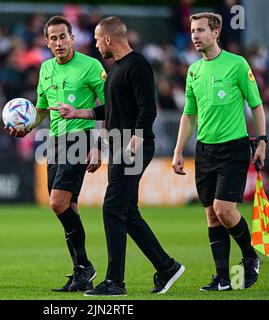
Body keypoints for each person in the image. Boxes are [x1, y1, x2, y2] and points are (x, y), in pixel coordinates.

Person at [51, 17, 184, 296]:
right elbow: (109, 111)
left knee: (112, 208)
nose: (97, 44)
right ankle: (166, 267)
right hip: (119, 145)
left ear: (109, 39)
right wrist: (80, 113)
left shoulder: (137, 64)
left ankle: (115, 282)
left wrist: (135, 139)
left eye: (98, 39)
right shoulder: (116, 70)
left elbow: (148, 108)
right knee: (127, 211)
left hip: (131, 146)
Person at [7, 16, 105, 292]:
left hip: (81, 138)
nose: (59, 42)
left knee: (57, 203)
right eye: (53, 38)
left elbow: (110, 105)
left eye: (63, 36)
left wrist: (99, 145)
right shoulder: (46, 68)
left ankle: (85, 266)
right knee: (67, 207)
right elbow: (41, 110)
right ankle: (81, 271)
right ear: (47, 42)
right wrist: (25, 127)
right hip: (55, 142)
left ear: (72, 38)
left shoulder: (90, 66)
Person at [171, 13, 266, 291]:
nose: (195, 36)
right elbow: (189, 114)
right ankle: (223, 277)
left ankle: (250, 257)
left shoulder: (237, 64)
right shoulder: (193, 71)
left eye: (200, 30)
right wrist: (178, 150)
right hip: (204, 151)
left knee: (225, 210)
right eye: (192, 31)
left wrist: (262, 141)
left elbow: (256, 105)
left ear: (216, 32)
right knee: (211, 214)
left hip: (234, 148)